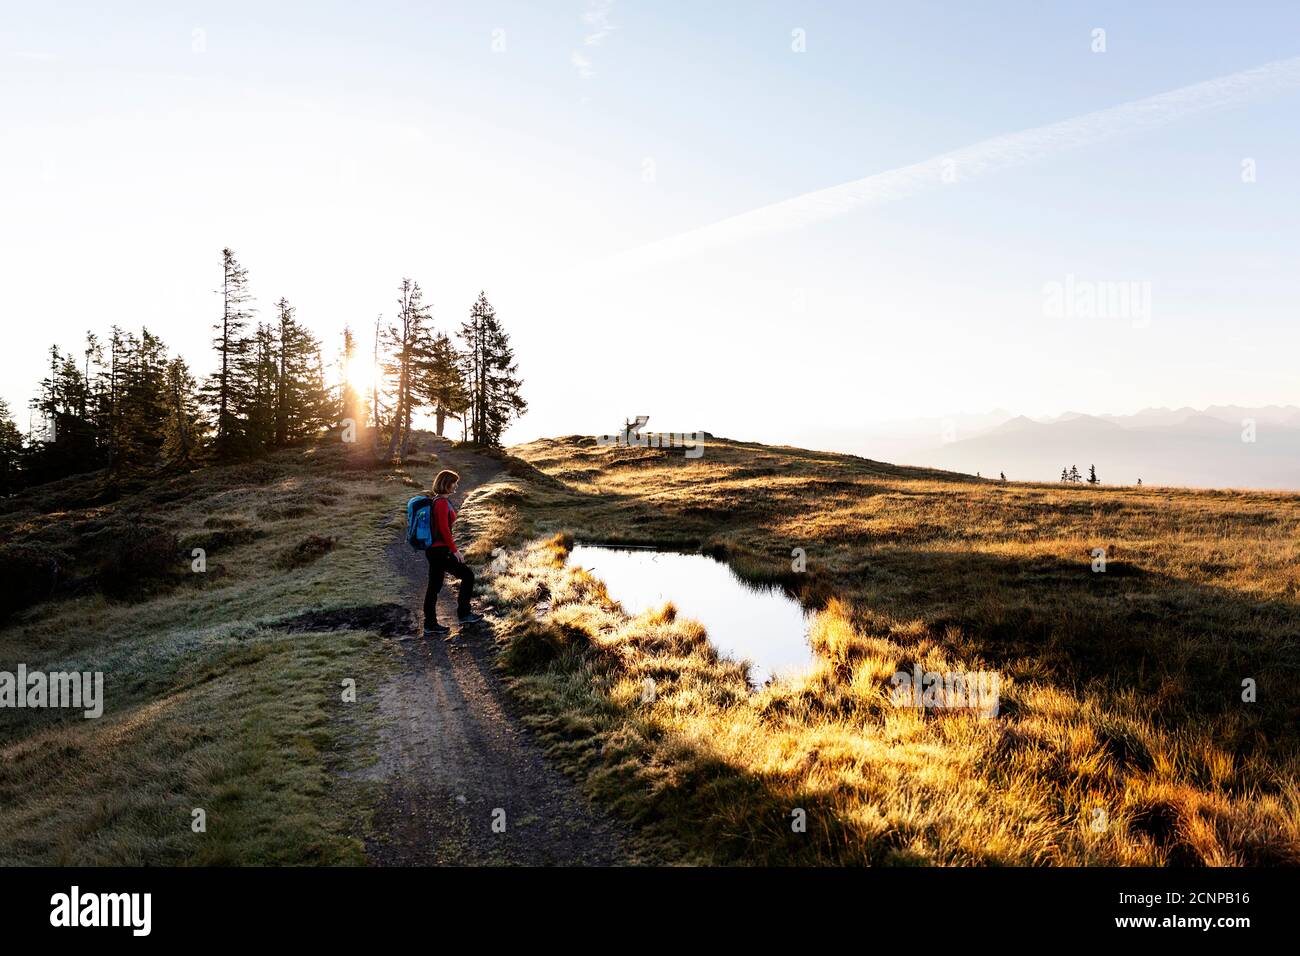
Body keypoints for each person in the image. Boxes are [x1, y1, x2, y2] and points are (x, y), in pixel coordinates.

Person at [422, 469, 483, 637]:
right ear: (446, 483)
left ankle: (430, 624)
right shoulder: (441, 502)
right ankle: (464, 614)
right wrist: (455, 550)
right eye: (454, 482)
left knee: (434, 587)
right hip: (440, 551)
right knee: (468, 575)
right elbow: (443, 528)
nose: (456, 485)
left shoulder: (439, 501)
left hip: (434, 551)